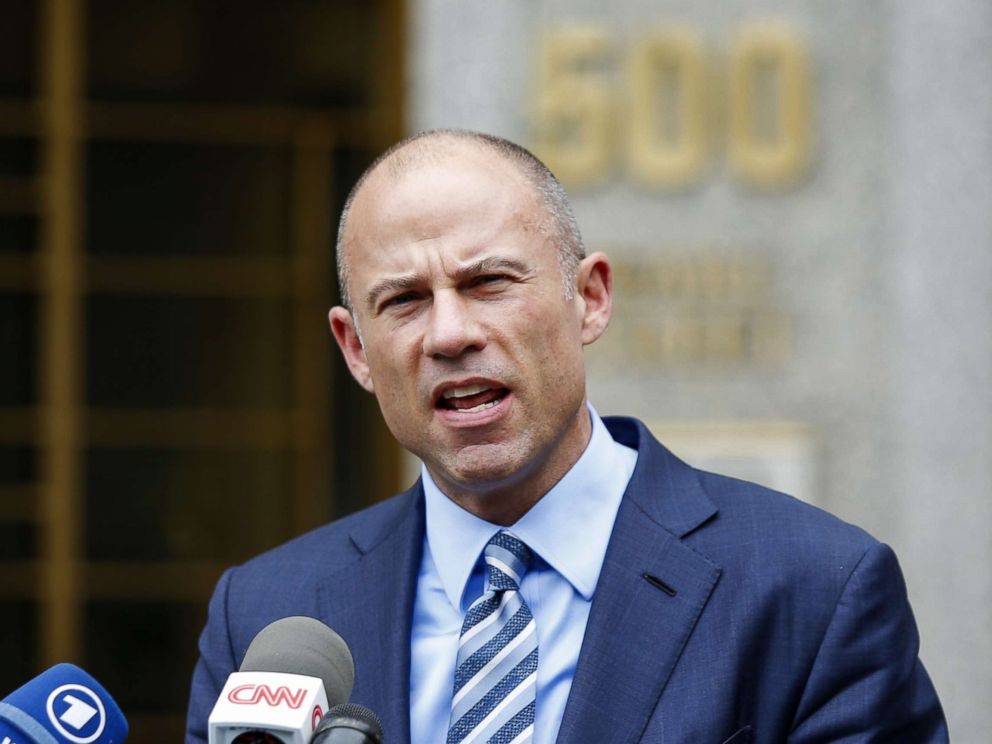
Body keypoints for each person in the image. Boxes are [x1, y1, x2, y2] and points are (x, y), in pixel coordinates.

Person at [186, 130, 947, 743]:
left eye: (489, 283)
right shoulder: (266, 616)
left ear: (589, 298)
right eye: (405, 301)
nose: (450, 333)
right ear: (356, 350)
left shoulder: (812, 591)